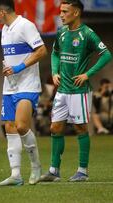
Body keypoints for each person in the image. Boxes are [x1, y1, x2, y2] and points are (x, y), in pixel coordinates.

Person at [40, 0, 112, 182]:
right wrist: (55, 71)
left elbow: (106, 55)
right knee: (55, 127)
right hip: (62, 90)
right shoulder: (62, 33)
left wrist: (88, 74)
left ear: (76, 12)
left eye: (65, 11)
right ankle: (54, 171)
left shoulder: (87, 34)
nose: (61, 15)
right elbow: (55, 52)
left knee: (80, 128)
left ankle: (82, 171)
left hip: (79, 91)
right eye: (60, 11)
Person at [0, 0, 48, 186]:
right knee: (10, 127)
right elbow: (11, 56)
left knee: (22, 126)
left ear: (2, 12)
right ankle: (15, 175)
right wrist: (7, 67)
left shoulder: (25, 26)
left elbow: (41, 50)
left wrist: (19, 67)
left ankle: (36, 166)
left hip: (28, 85)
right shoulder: (5, 30)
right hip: (9, 86)